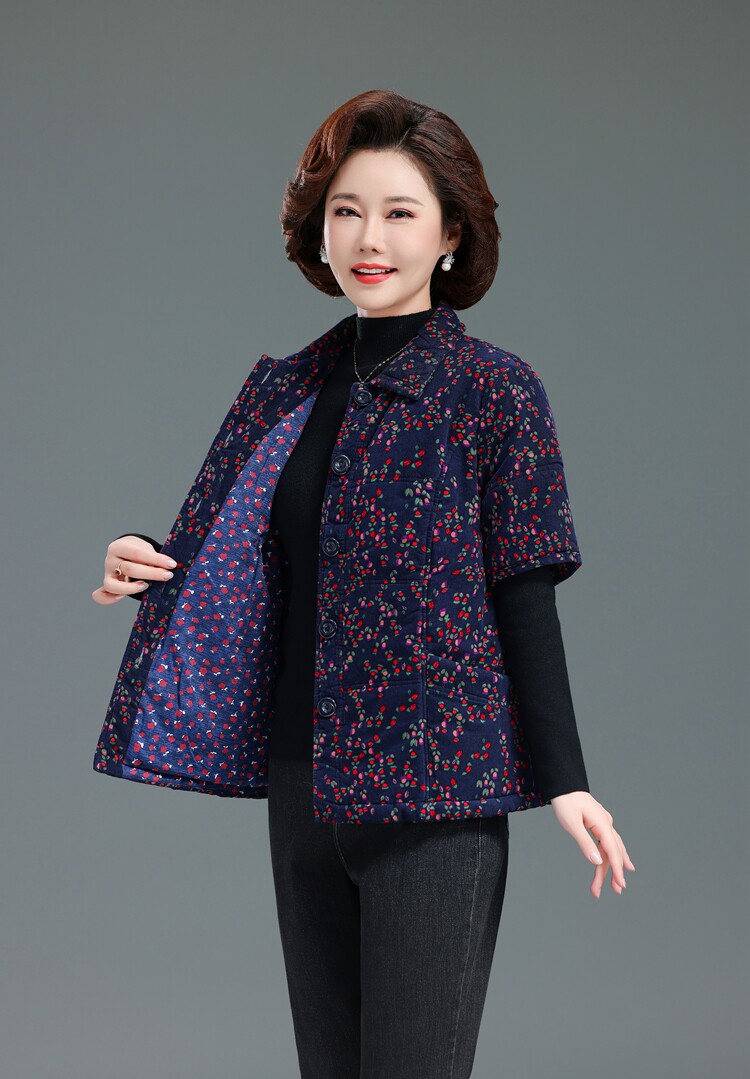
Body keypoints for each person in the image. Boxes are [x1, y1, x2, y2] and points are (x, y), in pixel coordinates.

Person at [92, 89, 634, 1079]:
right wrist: (149, 561)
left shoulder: (496, 392)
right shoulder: (287, 389)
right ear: (319, 227)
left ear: (451, 233)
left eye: (398, 212)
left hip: (435, 802)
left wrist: (567, 781)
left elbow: (524, 594)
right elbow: (253, 563)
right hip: (302, 790)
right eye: (346, 210)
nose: (368, 238)